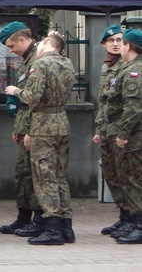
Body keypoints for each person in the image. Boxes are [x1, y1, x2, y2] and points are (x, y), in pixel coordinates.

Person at [6, 32, 76, 245]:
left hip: (43, 124)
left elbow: (31, 96)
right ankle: (66, 226)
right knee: (60, 176)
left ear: (46, 44)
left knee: (44, 177)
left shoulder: (40, 65)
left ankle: (53, 228)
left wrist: (16, 90)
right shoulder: (68, 63)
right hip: (61, 121)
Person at [0, 21, 44, 237]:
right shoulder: (28, 60)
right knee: (23, 175)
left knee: (34, 176)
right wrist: (19, 127)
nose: (10, 50)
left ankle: (38, 218)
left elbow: (37, 100)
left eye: (11, 46)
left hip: (35, 128)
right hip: (24, 126)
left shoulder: (38, 60)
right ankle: (23, 217)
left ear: (23, 40)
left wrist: (31, 130)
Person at [92, 25, 128, 235]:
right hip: (107, 128)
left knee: (125, 176)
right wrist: (99, 128)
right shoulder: (107, 66)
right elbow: (103, 102)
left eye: (119, 40)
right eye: (111, 40)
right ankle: (123, 215)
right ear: (104, 44)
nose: (116, 44)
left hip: (122, 130)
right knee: (111, 174)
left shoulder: (128, 65)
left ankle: (132, 218)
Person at [111, 28, 142, 244]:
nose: (119, 46)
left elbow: (133, 108)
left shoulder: (135, 72)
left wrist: (123, 134)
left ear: (128, 46)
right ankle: (133, 221)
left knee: (135, 180)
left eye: (121, 43)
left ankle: (139, 225)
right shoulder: (128, 68)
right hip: (133, 134)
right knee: (129, 179)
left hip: (135, 136)